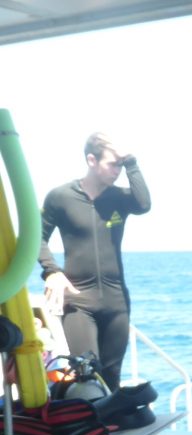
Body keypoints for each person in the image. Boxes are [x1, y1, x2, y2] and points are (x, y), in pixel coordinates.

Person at [38, 132, 151, 392]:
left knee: (111, 377)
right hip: (79, 301)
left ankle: (111, 419)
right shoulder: (60, 197)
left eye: (121, 166)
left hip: (116, 300)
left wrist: (131, 162)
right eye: (113, 164)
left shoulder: (119, 198)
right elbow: (37, 238)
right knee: (88, 375)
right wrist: (51, 272)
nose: (117, 171)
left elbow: (144, 204)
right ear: (91, 160)